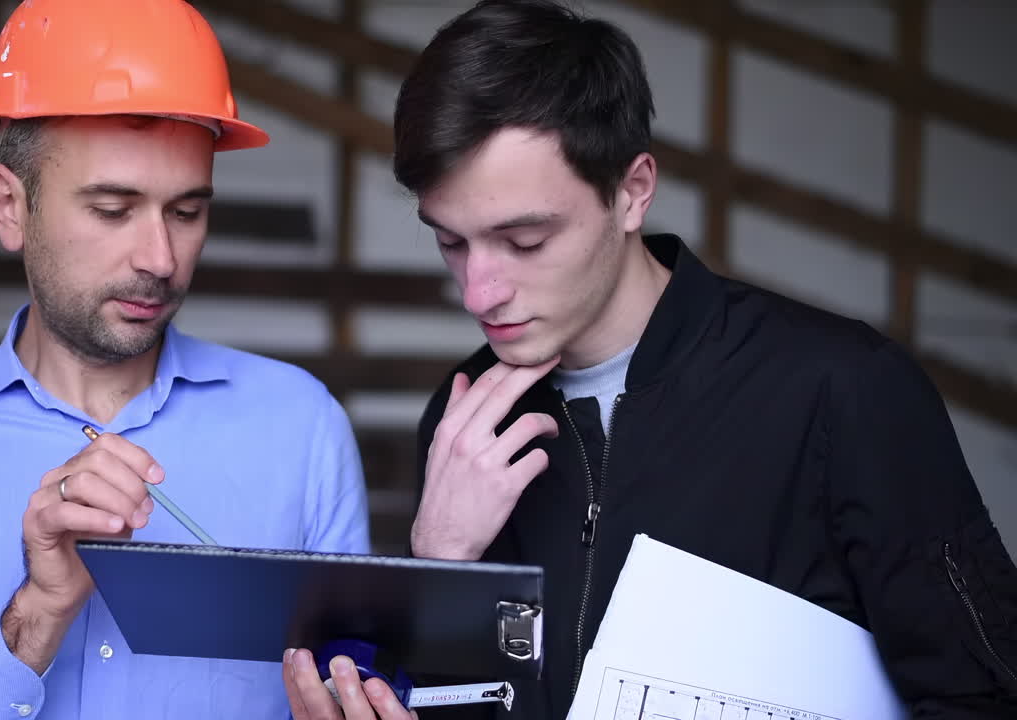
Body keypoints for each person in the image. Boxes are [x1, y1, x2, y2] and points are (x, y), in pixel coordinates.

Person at [282, 1, 1017, 718]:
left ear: (632, 192)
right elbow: (475, 697)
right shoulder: (466, 417)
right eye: (450, 241)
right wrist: (440, 562)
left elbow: (984, 694)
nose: (478, 291)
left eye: (525, 241)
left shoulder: (844, 390)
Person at [0, 1, 369, 718]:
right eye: (111, 210)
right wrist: (38, 614)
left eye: (187, 212)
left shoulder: (302, 429)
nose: (160, 259)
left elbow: (351, 688)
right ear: (9, 206)